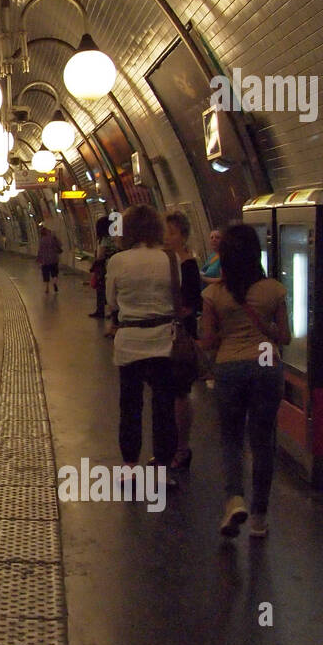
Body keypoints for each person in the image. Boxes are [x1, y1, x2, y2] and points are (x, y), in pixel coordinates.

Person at [199, 222, 290, 540]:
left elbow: (208, 341)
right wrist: (263, 327)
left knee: (231, 439)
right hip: (265, 361)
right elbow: (284, 337)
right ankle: (259, 518)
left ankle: (234, 500)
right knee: (263, 441)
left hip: (230, 365)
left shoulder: (213, 294)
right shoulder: (274, 290)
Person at [105, 204, 179, 485]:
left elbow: (112, 302)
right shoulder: (169, 258)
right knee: (164, 406)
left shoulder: (118, 261)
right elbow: (179, 296)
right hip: (164, 340)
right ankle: (163, 471)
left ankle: (130, 468)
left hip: (130, 341)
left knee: (130, 405)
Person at [163, 211, 202, 468]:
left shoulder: (187, 265)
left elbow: (192, 303)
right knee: (166, 393)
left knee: (179, 392)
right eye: (164, 232)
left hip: (180, 335)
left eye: (172, 233)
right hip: (164, 334)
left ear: (183, 236)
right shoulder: (163, 263)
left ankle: (182, 447)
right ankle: (168, 446)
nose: (167, 238)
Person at [89, 213, 120, 318]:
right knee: (114, 289)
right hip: (115, 264)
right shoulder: (115, 237)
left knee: (101, 289)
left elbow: (101, 255)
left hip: (105, 266)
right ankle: (113, 312)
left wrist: (95, 262)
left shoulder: (104, 239)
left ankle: (101, 310)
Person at [36, 224, 62, 296]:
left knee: (46, 274)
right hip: (54, 259)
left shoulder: (41, 240)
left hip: (45, 260)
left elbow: (40, 250)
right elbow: (59, 245)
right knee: (55, 273)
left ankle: (47, 287)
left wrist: (39, 259)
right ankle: (54, 282)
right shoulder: (53, 238)